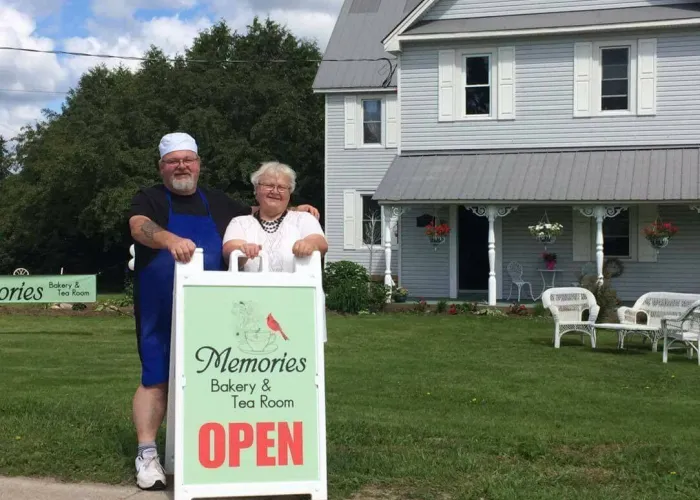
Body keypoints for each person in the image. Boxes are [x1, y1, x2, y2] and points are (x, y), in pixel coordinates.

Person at [127, 133, 319, 491]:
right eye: (173, 161)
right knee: (156, 376)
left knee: (215, 381)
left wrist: (298, 211)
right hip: (160, 305)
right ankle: (147, 453)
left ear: (198, 164)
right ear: (161, 167)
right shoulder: (149, 198)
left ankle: (213, 456)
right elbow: (139, 227)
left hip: (212, 310)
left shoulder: (218, 201)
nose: (181, 166)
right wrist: (170, 240)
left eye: (188, 159)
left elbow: (262, 212)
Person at [222, 161, 329, 340]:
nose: (275, 191)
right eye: (269, 185)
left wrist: (309, 244)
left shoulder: (303, 219)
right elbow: (229, 251)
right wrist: (242, 249)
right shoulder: (240, 222)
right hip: (252, 307)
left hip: (299, 305)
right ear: (256, 190)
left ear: (290, 193)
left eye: (282, 187)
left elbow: (320, 242)